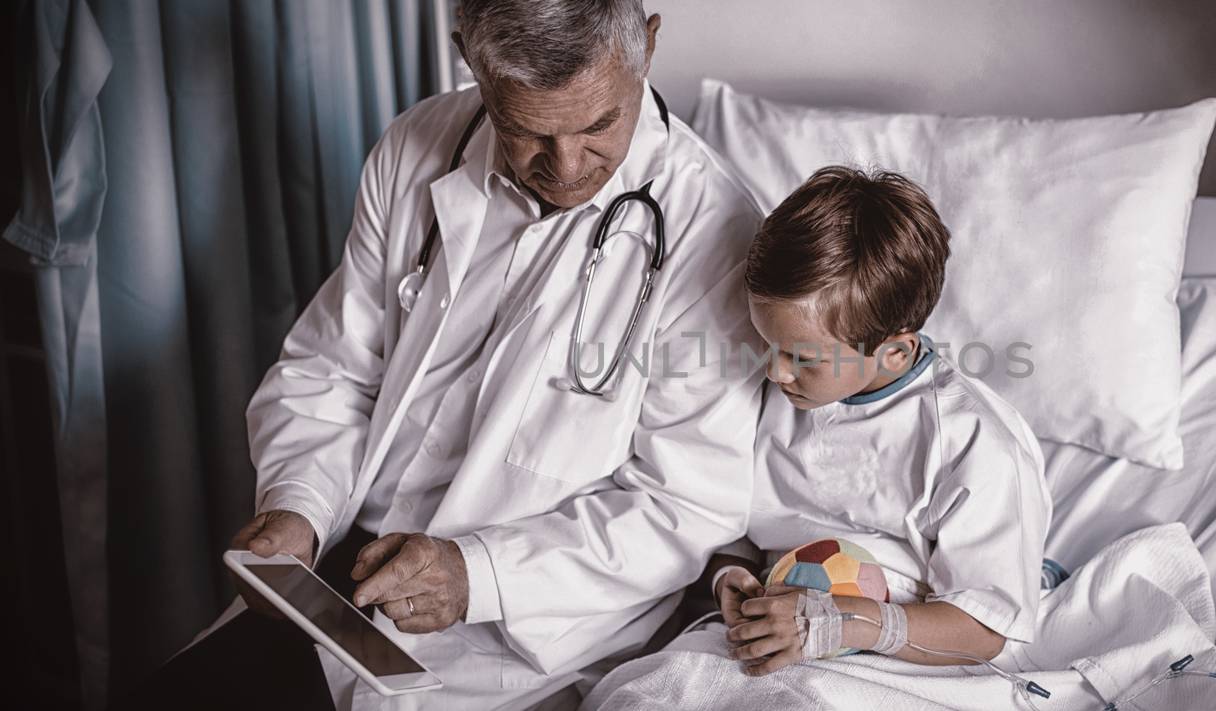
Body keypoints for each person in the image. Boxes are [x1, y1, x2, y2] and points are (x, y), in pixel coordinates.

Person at [135, 1, 765, 708]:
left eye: (598, 126)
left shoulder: (720, 234)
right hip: (344, 563)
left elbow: (682, 504)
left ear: (647, 46)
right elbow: (333, 368)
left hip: (526, 620)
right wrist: (299, 505)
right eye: (527, 130)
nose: (564, 168)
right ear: (470, 57)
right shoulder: (416, 144)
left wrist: (479, 574)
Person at [701, 167, 1050, 675]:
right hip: (769, 626)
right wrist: (726, 572)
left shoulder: (973, 443)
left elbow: (987, 627)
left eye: (803, 358)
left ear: (893, 353)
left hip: (898, 646)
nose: (775, 371)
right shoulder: (765, 391)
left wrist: (850, 624)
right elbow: (724, 511)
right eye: (767, 343)